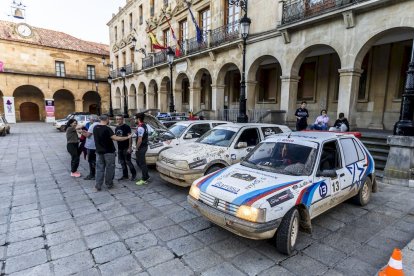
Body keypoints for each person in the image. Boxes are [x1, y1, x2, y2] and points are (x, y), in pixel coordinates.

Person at [93, 114, 131, 191]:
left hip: (99, 152)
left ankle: (98, 186)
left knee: (99, 169)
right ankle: (109, 183)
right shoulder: (107, 129)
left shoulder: (95, 128)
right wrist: (127, 137)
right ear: (107, 119)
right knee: (110, 168)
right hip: (109, 152)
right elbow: (116, 138)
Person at [115, 115, 136, 181]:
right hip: (120, 148)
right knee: (122, 162)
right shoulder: (117, 128)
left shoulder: (126, 127)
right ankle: (125, 175)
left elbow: (130, 137)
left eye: (119, 119)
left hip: (126, 147)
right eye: (117, 119)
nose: (118, 120)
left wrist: (130, 148)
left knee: (128, 161)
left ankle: (133, 174)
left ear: (122, 119)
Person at [81, 115, 99, 180]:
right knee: (96, 160)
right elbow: (91, 133)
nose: (89, 120)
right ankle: (97, 173)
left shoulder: (92, 125)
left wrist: (82, 132)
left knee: (91, 160)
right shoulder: (99, 124)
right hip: (97, 146)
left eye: (90, 119)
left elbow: (88, 135)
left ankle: (92, 175)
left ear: (93, 119)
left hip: (91, 146)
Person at [135, 113, 150, 185]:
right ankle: (147, 176)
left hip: (141, 147)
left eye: (135, 118)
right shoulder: (144, 125)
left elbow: (140, 140)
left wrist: (136, 148)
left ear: (138, 119)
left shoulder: (141, 127)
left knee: (142, 163)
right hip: (144, 146)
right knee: (142, 162)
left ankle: (144, 179)